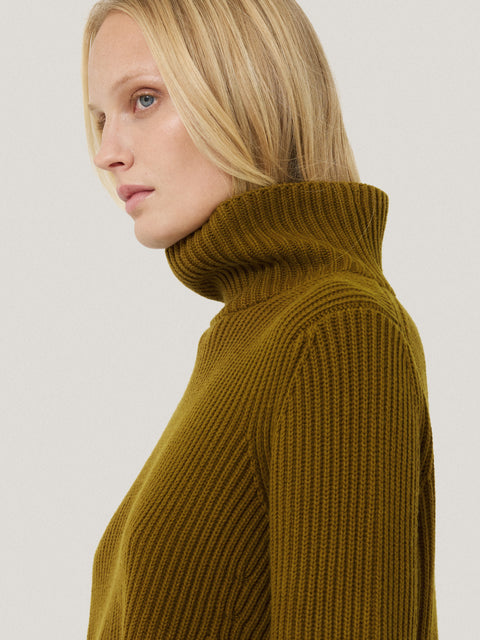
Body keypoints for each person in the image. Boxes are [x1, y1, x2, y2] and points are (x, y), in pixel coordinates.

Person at [82, 1, 438, 638]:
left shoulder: (337, 332)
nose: (107, 152)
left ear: (246, 94)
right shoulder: (247, 334)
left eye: (144, 99)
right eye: (101, 117)